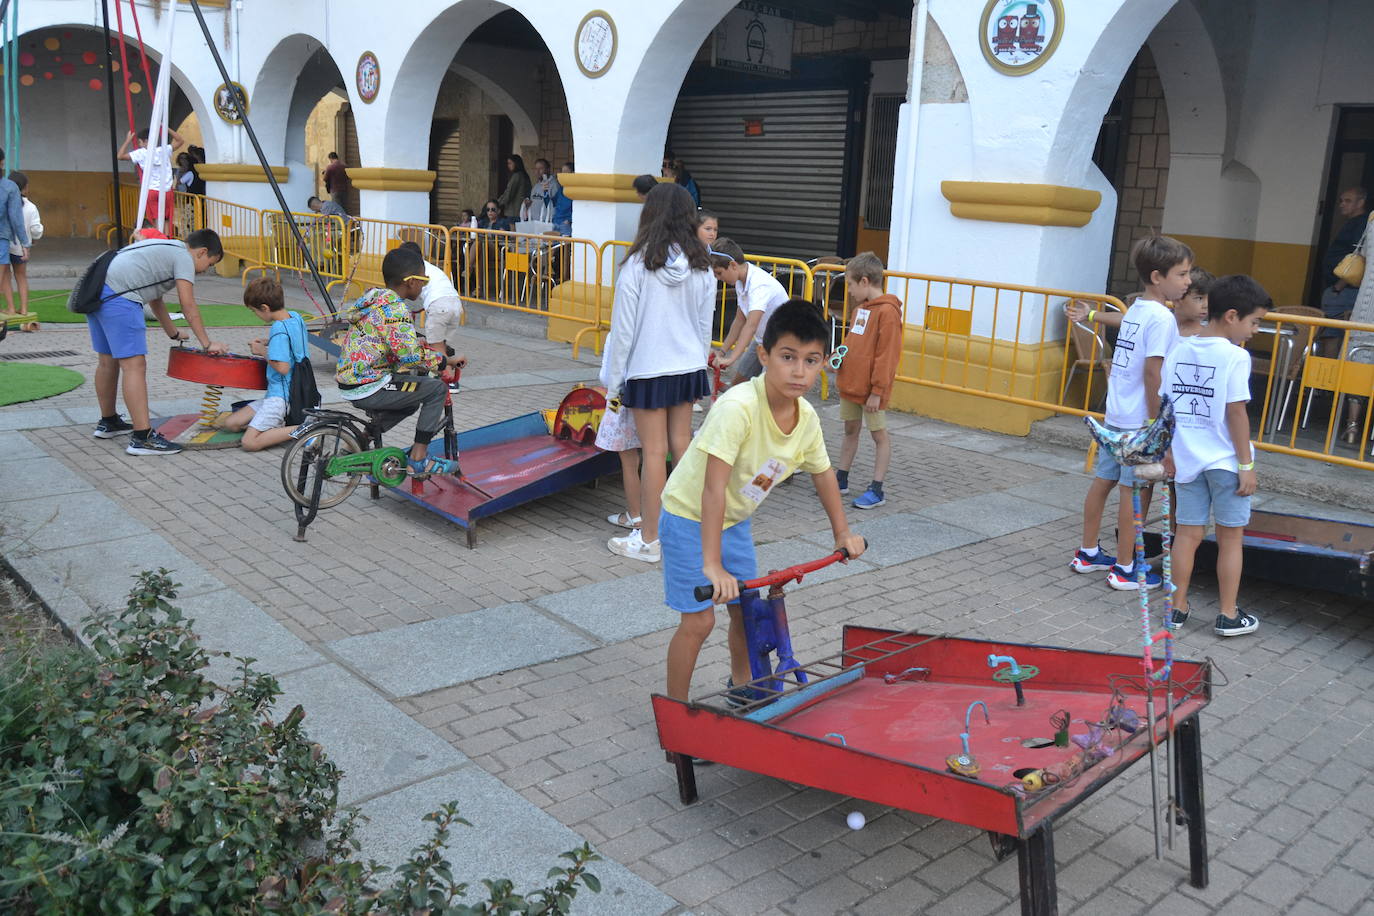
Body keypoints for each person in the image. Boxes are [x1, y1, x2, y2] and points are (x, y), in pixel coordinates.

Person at [660, 299, 866, 701]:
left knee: (746, 611)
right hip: (689, 516)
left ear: (824, 363)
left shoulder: (806, 418)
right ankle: (675, 714)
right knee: (700, 622)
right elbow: (711, 488)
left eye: (811, 360)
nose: (799, 371)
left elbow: (823, 474)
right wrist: (712, 564)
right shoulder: (738, 408)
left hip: (733, 521)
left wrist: (842, 533)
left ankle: (745, 688)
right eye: (788, 357)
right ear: (763, 355)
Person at [600, 182, 716, 562]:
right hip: (688, 368)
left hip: (648, 369)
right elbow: (705, 326)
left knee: (653, 453)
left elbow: (623, 331)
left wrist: (614, 382)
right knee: (682, 447)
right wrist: (698, 367)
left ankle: (649, 540)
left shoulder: (637, 265)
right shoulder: (703, 265)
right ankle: (689, 535)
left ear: (649, 214)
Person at [1069, 235, 1192, 589]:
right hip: (1139, 421)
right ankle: (1125, 569)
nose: (1187, 281)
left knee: (1104, 481)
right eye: (1182, 274)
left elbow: (1124, 338)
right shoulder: (1162, 318)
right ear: (1158, 277)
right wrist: (1156, 424)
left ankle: (1088, 552)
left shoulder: (1137, 308)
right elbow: (1153, 372)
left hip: (1117, 414)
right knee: (1133, 492)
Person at [1160, 275, 1270, 637]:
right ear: (1232, 316)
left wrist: (1168, 452)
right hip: (1226, 463)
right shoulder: (1236, 357)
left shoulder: (1179, 348)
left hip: (1188, 460)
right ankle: (1227, 614)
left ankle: (1176, 609)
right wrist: (1246, 465)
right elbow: (1236, 413)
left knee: (1186, 536)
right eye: (1254, 322)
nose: (1255, 330)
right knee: (1230, 539)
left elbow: (1167, 407)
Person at [90, 230, 227, 456]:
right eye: (209, 264)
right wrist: (207, 343)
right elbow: (187, 304)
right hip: (121, 298)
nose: (204, 271)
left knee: (108, 362)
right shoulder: (184, 257)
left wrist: (173, 333)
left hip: (97, 292)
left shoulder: (167, 247)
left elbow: (155, 298)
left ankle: (109, 422)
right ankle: (142, 438)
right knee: (134, 366)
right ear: (202, 252)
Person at [335, 247, 467, 475]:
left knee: (411, 398)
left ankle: (359, 441)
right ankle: (419, 458)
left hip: (351, 381)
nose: (424, 286)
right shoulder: (395, 308)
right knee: (434, 389)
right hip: (370, 384)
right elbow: (410, 355)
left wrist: (421, 347)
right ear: (411, 282)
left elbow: (395, 341)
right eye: (423, 280)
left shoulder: (374, 299)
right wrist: (445, 361)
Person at [832, 252, 904, 510]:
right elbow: (852, 342)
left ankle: (877, 488)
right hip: (851, 383)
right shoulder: (861, 309)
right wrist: (837, 358)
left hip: (871, 390)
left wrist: (877, 390)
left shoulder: (888, 313)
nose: (849, 291)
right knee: (850, 430)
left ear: (864, 281)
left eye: (850, 284)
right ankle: (841, 478)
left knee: (879, 435)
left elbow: (887, 355)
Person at [217, 277, 309, 451]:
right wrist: (270, 342)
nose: (256, 315)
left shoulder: (278, 329)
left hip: (281, 398)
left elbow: (283, 368)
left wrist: (262, 351)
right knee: (231, 423)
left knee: (249, 443)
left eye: (254, 312)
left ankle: (306, 429)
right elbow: (292, 342)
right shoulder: (295, 317)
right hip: (288, 392)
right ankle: (274, 430)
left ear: (265, 308)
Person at [710, 238, 789, 384]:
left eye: (719, 273)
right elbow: (739, 320)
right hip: (763, 339)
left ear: (733, 265)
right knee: (737, 385)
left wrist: (732, 358)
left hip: (784, 342)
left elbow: (751, 325)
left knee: (770, 389)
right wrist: (722, 352)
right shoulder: (741, 280)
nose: (718, 278)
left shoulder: (759, 285)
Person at [1067, 266, 1213, 339]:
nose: (1206, 305)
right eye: (1199, 298)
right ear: (1177, 298)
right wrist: (1091, 314)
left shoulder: (1208, 336)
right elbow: (1127, 319)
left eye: (1209, 299)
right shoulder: (1161, 320)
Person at [398, 240, 465, 387]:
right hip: (455, 304)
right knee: (442, 345)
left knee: (437, 347)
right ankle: (440, 374)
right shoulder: (431, 267)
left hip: (439, 306)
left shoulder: (414, 270)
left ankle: (449, 380)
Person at [118, 128, 185, 233]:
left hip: (152, 190)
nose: (139, 144)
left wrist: (127, 140)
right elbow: (180, 140)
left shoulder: (140, 153)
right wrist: (166, 128)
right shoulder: (164, 150)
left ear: (145, 141)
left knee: (155, 219)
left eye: (139, 142)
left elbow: (120, 156)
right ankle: (165, 239)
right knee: (166, 219)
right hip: (166, 190)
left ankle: (158, 239)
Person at [1319, 187, 1368, 323]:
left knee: (1331, 334)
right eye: (1341, 201)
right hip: (1340, 288)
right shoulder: (1353, 222)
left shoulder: (1361, 224)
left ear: (1360, 203)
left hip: (1344, 290)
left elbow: (1359, 256)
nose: (1342, 204)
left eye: (1348, 201)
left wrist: (1338, 287)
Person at [5, 171, 39, 320]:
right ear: (25, 188)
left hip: (6, 246)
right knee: (21, 276)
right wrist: (33, 239)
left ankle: (11, 308)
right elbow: (36, 229)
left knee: (5, 277)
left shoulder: (5, 203)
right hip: (22, 249)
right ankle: (24, 309)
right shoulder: (31, 207)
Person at [0, 150, 30, 318]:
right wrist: (25, 244)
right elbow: (16, 219)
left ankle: (11, 308)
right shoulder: (9, 187)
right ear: (2, 163)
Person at [496, 154, 532, 221]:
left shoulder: (517, 176)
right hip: (522, 211)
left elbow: (509, 194)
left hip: (513, 211)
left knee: (513, 231)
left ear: (516, 163)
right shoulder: (525, 175)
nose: (508, 166)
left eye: (510, 163)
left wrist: (497, 204)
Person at [526, 158, 558, 222]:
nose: (537, 171)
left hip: (546, 222)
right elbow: (533, 200)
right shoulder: (536, 185)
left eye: (540, 168)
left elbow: (555, 204)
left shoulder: (554, 185)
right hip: (534, 221)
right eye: (536, 169)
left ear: (548, 169)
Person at [551, 162, 574, 236]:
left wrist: (569, 220)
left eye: (565, 172)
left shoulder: (575, 190)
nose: (562, 174)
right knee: (555, 246)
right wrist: (546, 191)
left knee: (565, 246)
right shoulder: (561, 188)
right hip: (556, 221)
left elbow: (577, 207)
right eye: (562, 171)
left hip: (566, 224)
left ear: (573, 173)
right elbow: (553, 202)